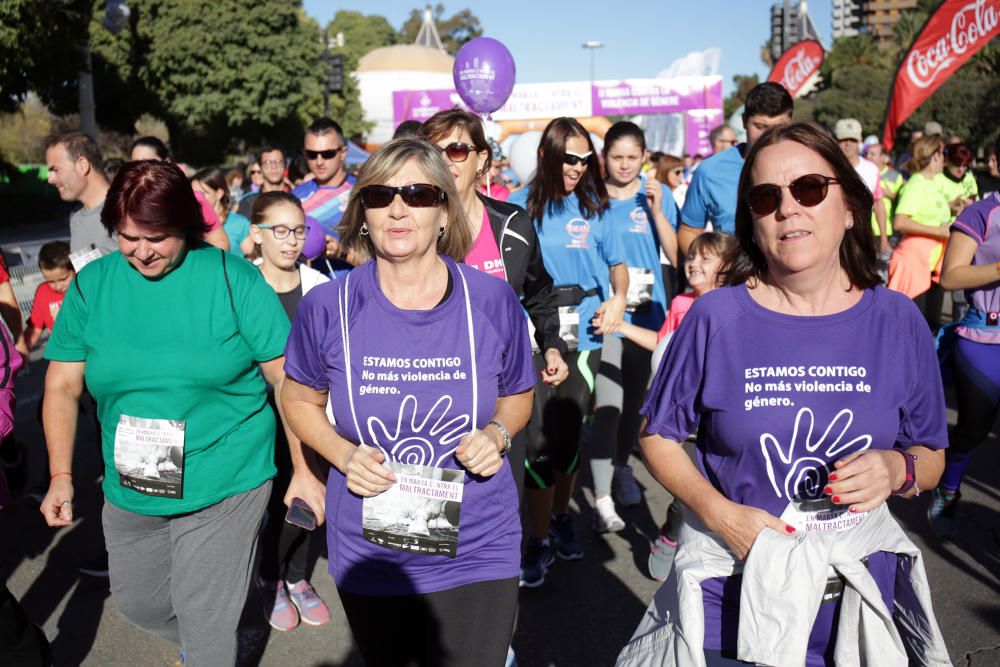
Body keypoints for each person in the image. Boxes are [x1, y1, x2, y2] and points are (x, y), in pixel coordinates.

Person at [633, 121, 947, 665]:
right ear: (751, 221)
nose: (787, 208)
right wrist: (718, 512)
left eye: (808, 188)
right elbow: (658, 434)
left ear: (849, 205)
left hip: (856, 602)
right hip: (732, 601)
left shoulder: (898, 319)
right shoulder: (715, 317)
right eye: (765, 196)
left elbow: (931, 455)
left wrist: (896, 470)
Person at [280, 138, 535, 666]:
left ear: (443, 209)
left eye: (418, 194)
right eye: (380, 195)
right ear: (363, 212)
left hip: (478, 543)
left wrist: (498, 434)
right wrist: (342, 455)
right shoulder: (328, 306)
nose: (398, 208)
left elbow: (517, 393)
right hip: (373, 544)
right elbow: (298, 399)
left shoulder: (491, 300)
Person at [39, 160, 292, 665]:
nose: (142, 251)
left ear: (185, 225)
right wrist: (61, 476)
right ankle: (217, 628)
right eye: (129, 238)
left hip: (227, 475)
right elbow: (63, 385)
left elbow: (285, 379)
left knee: (202, 622)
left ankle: (212, 638)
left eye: (157, 237)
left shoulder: (231, 277)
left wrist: (305, 470)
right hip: (133, 481)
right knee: (139, 604)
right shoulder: (92, 286)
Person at [419, 108, 570, 496]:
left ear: (482, 158)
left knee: (501, 507)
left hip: (503, 393)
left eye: (455, 150)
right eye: (432, 151)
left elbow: (539, 289)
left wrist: (552, 345)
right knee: (437, 518)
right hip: (430, 392)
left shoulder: (512, 223)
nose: (443, 162)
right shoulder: (411, 228)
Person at [508, 117, 628, 587]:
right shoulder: (515, 207)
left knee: (566, 438)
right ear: (546, 156)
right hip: (533, 336)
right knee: (538, 442)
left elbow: (618, 270)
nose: (577, 168)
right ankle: (537, 539)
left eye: (584, 159)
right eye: (569, 158)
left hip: (585, 338)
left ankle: (560, 516)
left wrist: (617, 299)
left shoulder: (596, 208)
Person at [605, 231, 734, 580]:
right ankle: (669, 536)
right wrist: (621, 327)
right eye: (691, 257)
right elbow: (662, 344)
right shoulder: (681, 304)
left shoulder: (739, 305)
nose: (694, 264)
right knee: (687, 491)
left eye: (705, 259)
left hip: (725, 412)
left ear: (728, 266)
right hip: (687, 417)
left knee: (726, 483)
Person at [246, 192, 332, 631]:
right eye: (280, 231)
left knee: (309, 494)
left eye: (298, 230)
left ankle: (297, 579)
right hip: (257, 422)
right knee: (271, 505)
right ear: (256, 235)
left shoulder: (320, 286)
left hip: (312, 418)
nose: (291, 240)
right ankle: (269, 578)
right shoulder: (242, 285)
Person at [588, 121, 678, 533]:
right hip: (607, 312)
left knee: (635, 403)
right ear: (604, 157)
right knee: (608, 401)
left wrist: (658, 212)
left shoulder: (655, 196)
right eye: (616, 157)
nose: (624, 165)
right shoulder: (590, 198)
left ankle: (622, 465)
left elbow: (678, 257)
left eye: (632, 157)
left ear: (645, 157)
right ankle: (602, 488)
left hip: (648, 314)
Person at [927, 191, 1000, 537]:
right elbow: (950, 277)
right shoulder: (981, 213)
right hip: (983, 339)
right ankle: (948, 489)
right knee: (973, 430)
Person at [678, 83, 794, 254]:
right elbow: (689, 231)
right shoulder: (710, 171)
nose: (768, 136)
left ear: (790, 122)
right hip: (735, 277)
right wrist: (714, 271)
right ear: (744, 122)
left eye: (778, 128)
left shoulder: (809, 163)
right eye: (760, 127)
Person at [887, 135, 952, 330]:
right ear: (934, 156)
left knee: (930, 326)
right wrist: (939, 231)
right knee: (912, 327)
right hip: (913, 263)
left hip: (932, 263)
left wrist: (953, 206)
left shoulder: (934, 182)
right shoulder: (916, 184)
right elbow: (900, 222)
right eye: (944, 153)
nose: (946, 159)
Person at [130, 137, 230, 251]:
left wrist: (198, 266)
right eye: (134, 164)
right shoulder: (125, 200)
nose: (140, 169)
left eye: (148, 162)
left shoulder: (194, 200)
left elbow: (221, 243)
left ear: (166, 162)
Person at [293, 118, 356, 276]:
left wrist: (341, 252)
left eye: (328, 154)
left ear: (343, 152)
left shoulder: (364, 192)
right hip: (310, 294)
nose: (319, 161)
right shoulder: (294, 198)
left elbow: (382, 258)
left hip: (357, 292)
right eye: (312, 154)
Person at [45, 131, 118, 257]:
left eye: (56, 170)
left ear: (82, 165)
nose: (50, 179)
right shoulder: (76, 219)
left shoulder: (125, 209)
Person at [835, 118, 890, 257]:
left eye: (852, 140)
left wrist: (883, 237)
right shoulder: (827, 167)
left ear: (859, 142)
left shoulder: (871, 170)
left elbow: (878, 203)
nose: (848, 144)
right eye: (843, 139)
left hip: (861, 236)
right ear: (835, 140)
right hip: (833, 237)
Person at [15, 241, 73, 358]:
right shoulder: (43, 292)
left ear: (74, 269)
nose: (58, 286)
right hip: (62, 355)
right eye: (51, 281)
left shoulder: (83, 287)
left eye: (63, 279)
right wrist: (20, 350)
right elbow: (35, 329)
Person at [191, 167, 251, 256]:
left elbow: (251, 259)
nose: (196, 198)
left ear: (219, 193)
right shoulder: (189, 225)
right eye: (193, 194)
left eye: (202, 194)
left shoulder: (240, 223)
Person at [238, 144, 289, 218]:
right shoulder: (249, 202)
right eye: (267, 162)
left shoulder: (298, 197)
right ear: (260, 167)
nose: (273, 166)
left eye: (278, 161)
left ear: (285, 165)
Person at [935, 143, 978, 221]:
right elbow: (930, 210)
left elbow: (976, 201)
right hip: (946, 227)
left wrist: (970, 205)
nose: (961, 170)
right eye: (957, 165)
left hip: (968, 223)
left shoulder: (969, 178)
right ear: (947, 161)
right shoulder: (937, 179)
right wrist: (950, 206)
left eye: (965, 166)